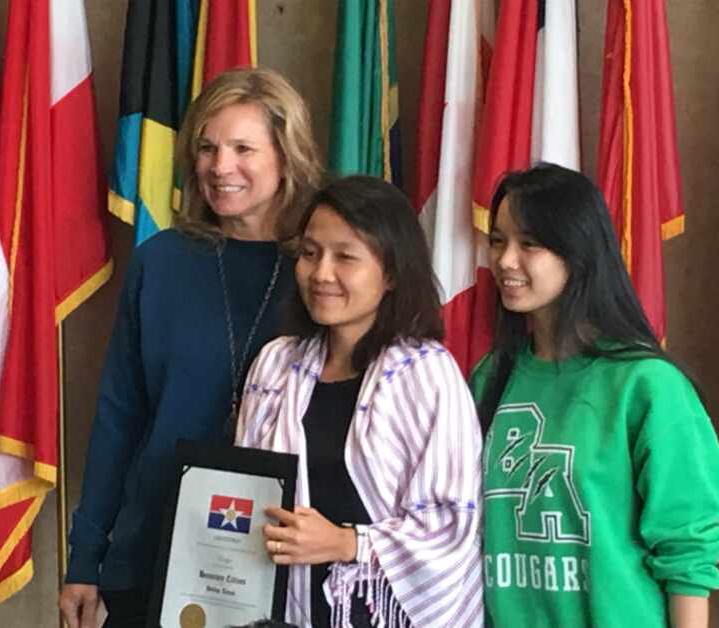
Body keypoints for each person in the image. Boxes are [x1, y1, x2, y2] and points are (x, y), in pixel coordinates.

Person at [59, 67, 323, 628]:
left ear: (287, 155)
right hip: (150, 553)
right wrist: (85, 558)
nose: (219, 167)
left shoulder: (324, 272)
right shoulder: (162, 261)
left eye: (242, 148)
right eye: (207, 147)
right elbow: (119, 416)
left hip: (279, 567)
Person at [472, 163, 719, 628]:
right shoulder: (489, 376)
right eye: (498, 240)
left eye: (529, 243)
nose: (506, 260)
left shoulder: (647, 385)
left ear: (578, 252)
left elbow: (687, 552)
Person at [236, 176, 483, 628]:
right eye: (310, 254)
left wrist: (346, 543)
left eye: (345, 257)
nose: (321, 273)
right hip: (280, 612)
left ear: (390, 272)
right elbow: (244, 494)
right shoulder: (274, 365)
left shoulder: (426, 374)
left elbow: (453, 524)